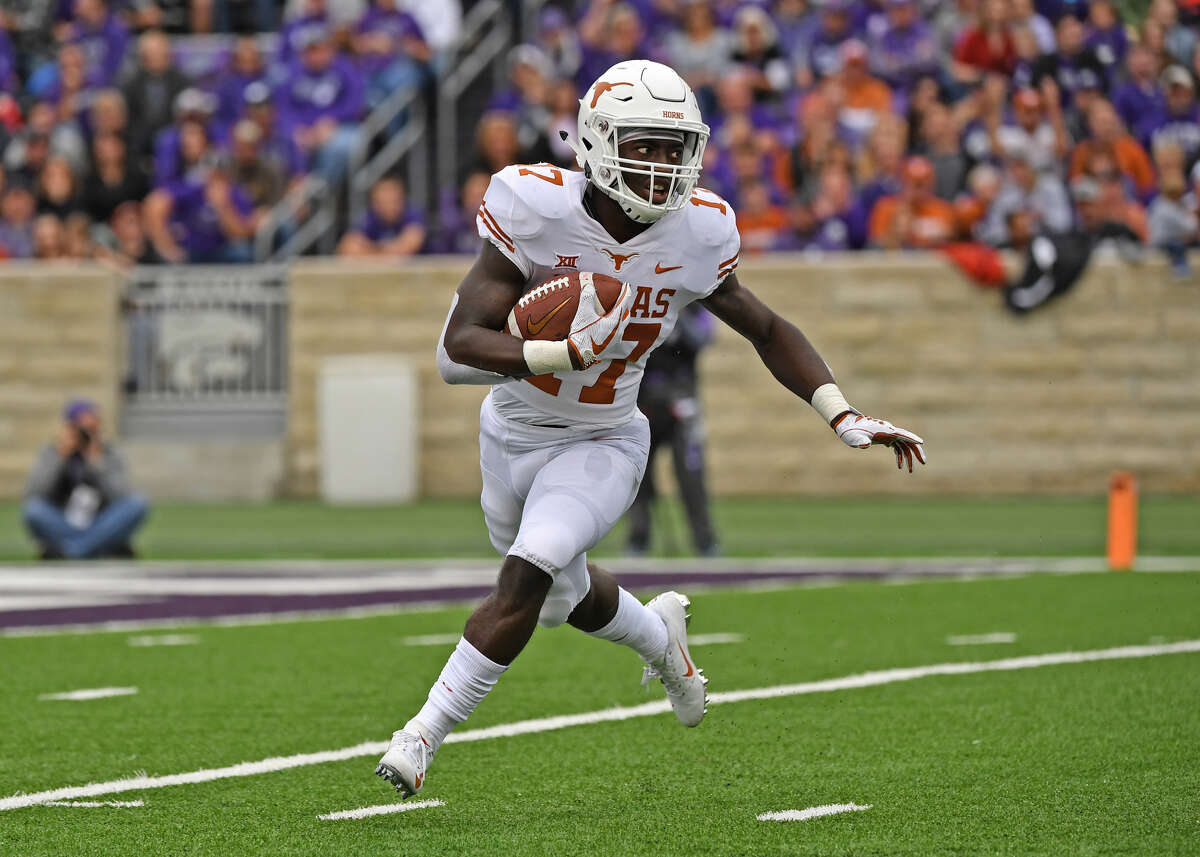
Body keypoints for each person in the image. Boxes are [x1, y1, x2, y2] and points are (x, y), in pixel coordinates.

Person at [374, 59, 926, 799]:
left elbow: (765, 326)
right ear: (598, 142)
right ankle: (664, 642)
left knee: (531, 568)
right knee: (561, 598)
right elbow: (455, 351)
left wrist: (840, 409)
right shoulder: (534, 206)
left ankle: (421, 734)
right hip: (510, 433)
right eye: (644, 145)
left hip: (603, 439)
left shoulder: (697, 232)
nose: (663, 166)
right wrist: (560, 350)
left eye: (675, 148)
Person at [626, 304, 719, 557]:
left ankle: (705, 541)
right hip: (644, 406)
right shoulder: (642, 309)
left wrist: (676, 317)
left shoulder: (697, 310)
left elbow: (703, 339)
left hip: (683, 406)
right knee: (639, 479)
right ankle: (638, 540)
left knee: (691, 477)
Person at [23, 399, 149, 560]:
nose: (87, 435)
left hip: (101, 522)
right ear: (69, 427)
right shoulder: (51, 453)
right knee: (34, 510)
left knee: (137, 503)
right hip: (63, 522)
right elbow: (34, 493)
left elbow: (121, 495)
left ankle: (72, 551)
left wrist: (97, 463)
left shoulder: (109, 453)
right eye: (82, 429)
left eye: (93, 428)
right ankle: (98, 548)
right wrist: (60, 458)